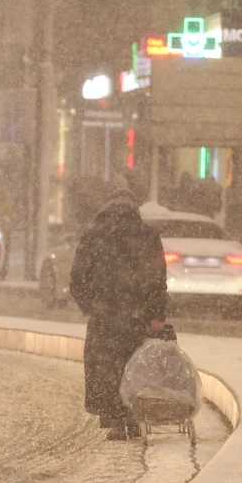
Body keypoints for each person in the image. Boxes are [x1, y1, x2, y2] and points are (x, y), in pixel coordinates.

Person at [69, 188, 169, 440]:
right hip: (137, 315)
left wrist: (90, 304)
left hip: (104, 316)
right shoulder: (148, 236)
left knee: (105, 367)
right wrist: (155, 312)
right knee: (134, 365)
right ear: (135, 209)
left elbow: (77, 277)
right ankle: (133, 415)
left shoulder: (93, 236)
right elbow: (157, 279)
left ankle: (113, 419)